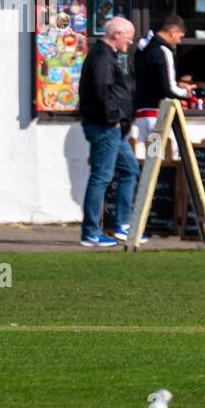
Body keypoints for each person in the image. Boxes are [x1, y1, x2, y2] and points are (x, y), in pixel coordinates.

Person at [77, 16, 137, 247]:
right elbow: (103, 91)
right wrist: (114, 119)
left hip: (113, 129)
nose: (129, 43)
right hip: (105, 127)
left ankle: (122, 225)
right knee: (101, 177)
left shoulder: (106, 55)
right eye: (129, 38)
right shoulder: (102, 57)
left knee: (130, 169)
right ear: (117, 34)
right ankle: (91, 233)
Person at [133, 14, 193, 161]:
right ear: (172, 31)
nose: (180, 40)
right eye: (180, 35)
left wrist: (175, 84)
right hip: (156, 118)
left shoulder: (142, 49)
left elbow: (152, 80)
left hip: (140, 115)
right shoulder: (163, 51)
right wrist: (186, 92)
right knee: (157, 162)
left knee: (146, 163)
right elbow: (169, 90)